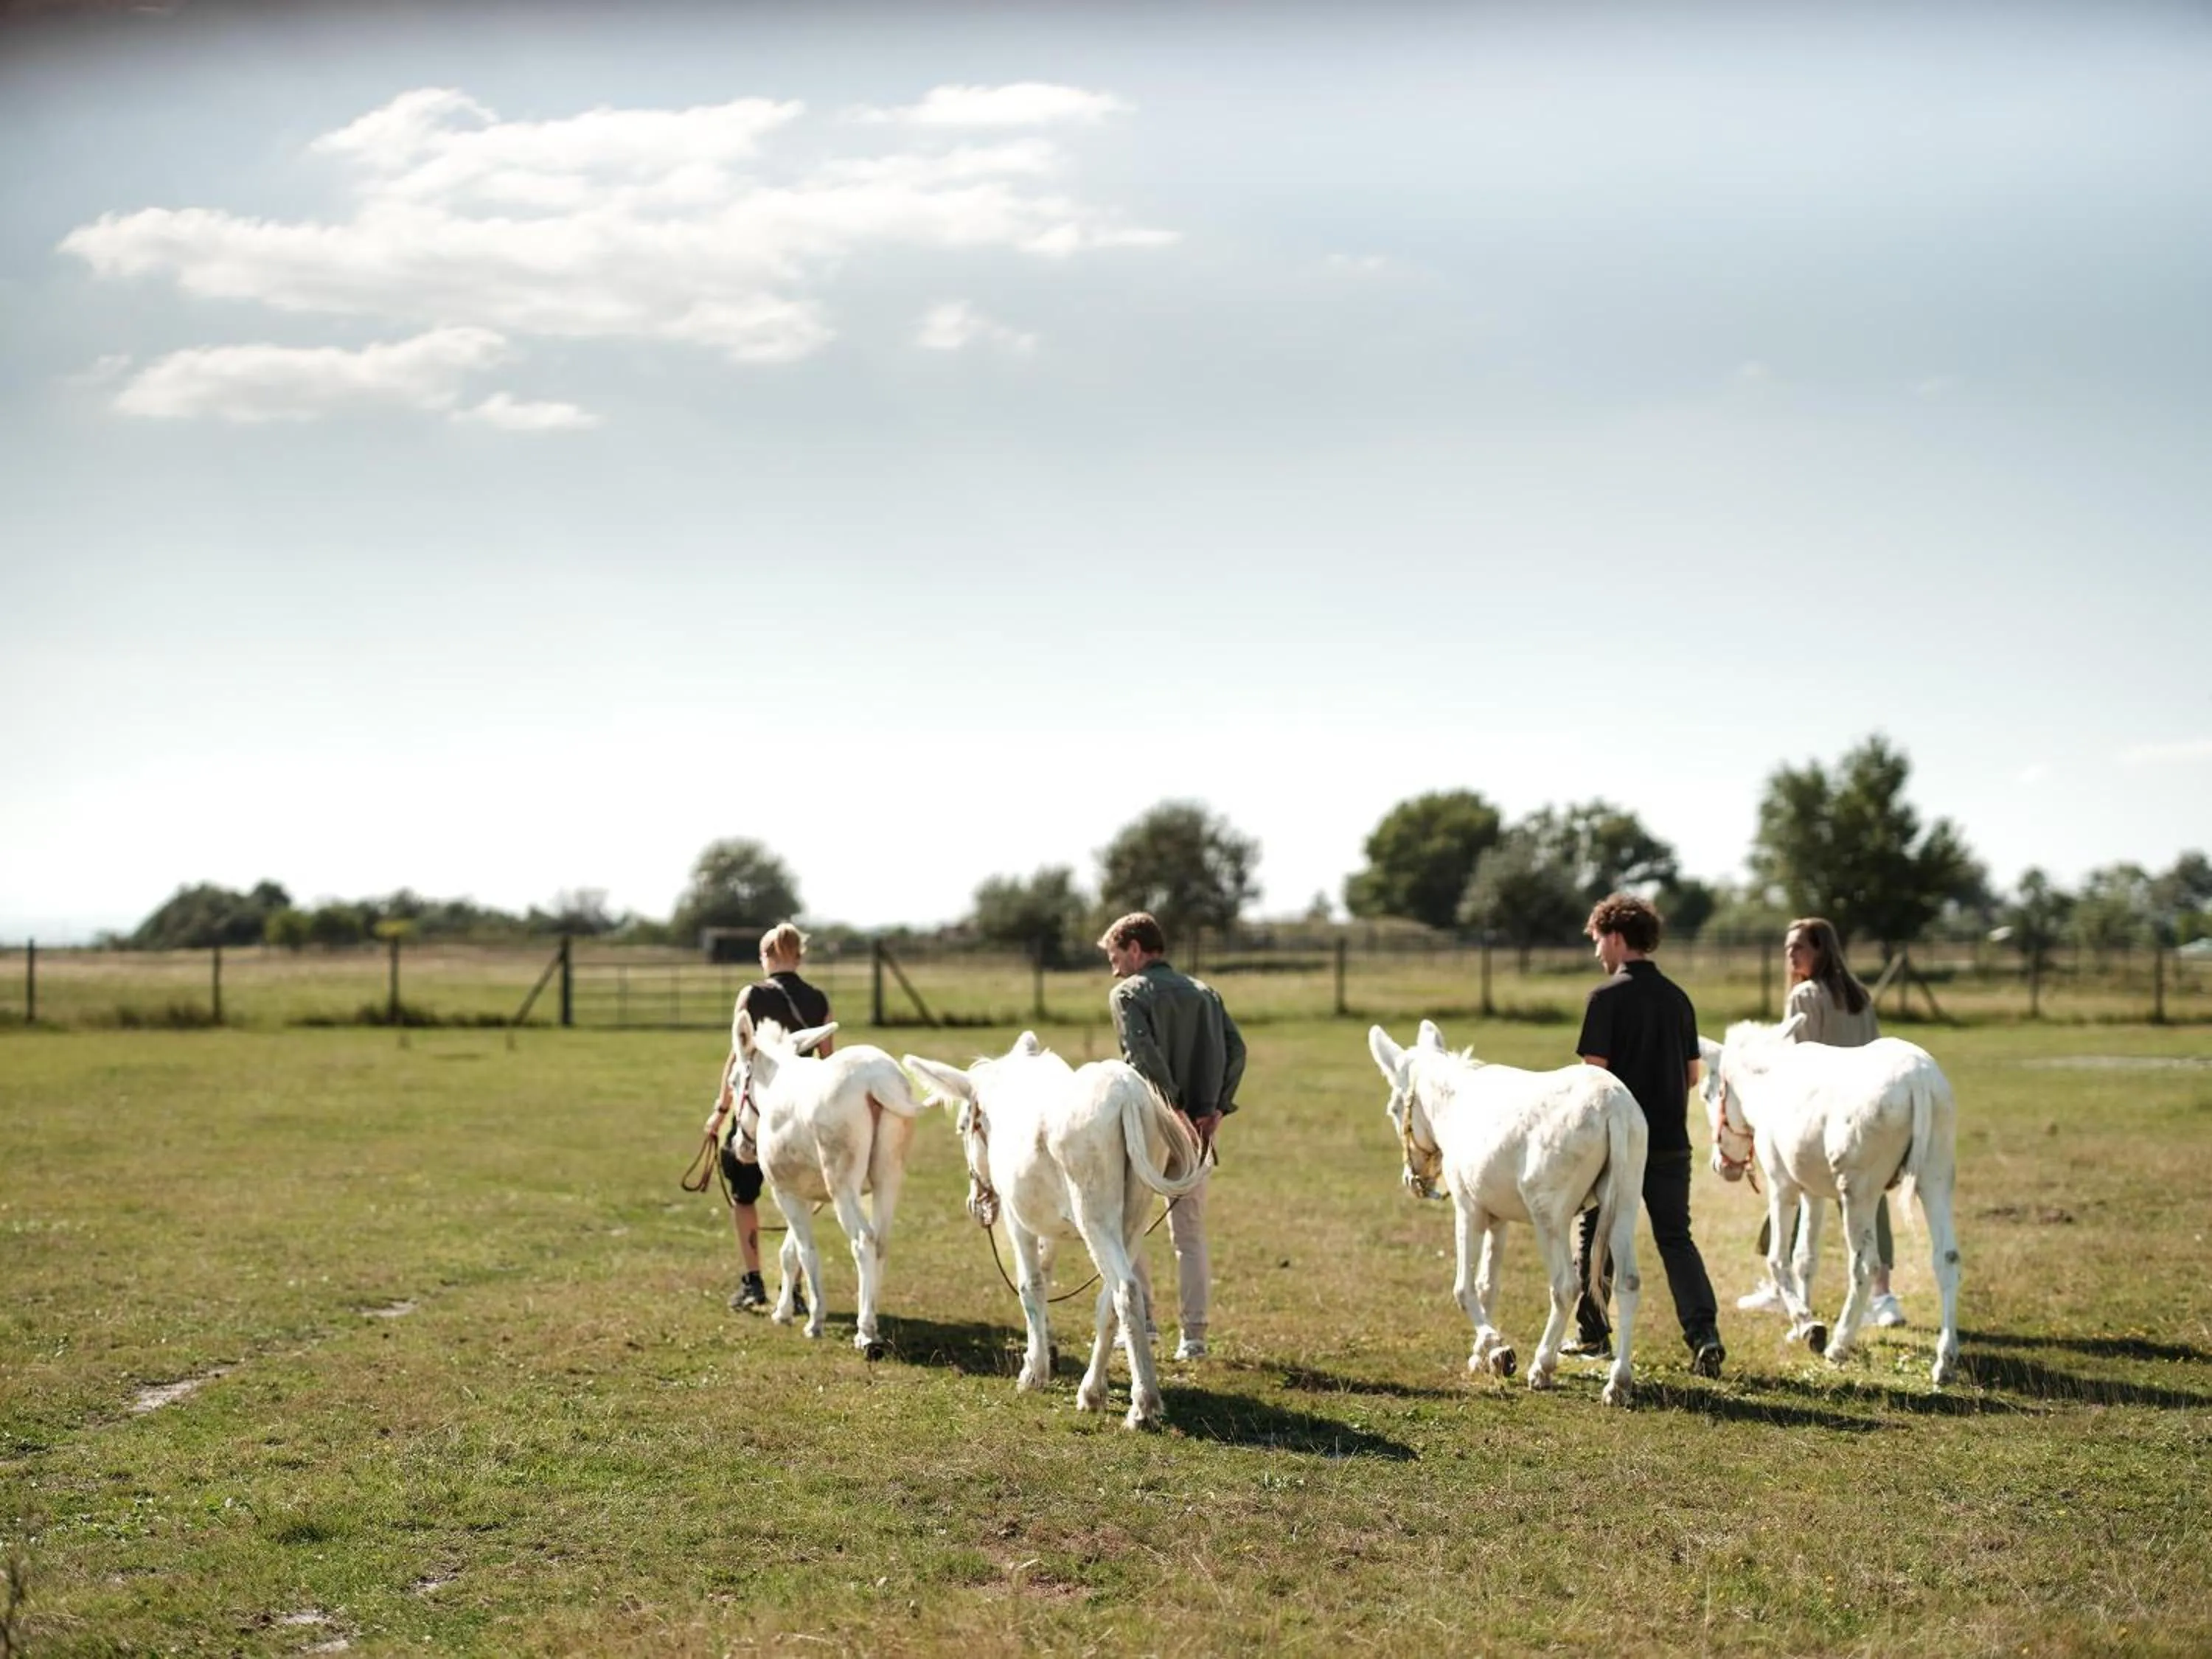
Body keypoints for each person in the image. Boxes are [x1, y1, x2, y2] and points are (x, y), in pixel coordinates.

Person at [1565, 894, 1726, 1378]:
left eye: (1597, 941)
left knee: (1598, 1232)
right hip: (1672, 1141)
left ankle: (1593, 1334)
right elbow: (1694, 1075)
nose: (1597, 953)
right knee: (1676, 1237)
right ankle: (1705, 1336)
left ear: (1616, 937)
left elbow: (1593, 1080)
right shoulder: (1679, 999)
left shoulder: (1604, 998)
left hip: (1616, 1146)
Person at [1736, 917, 1906, 1326]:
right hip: (1868, 1112)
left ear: (1822, 950)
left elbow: (1797, 1064)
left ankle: (1782, 1287)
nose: (1790, 954)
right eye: (1788, 947)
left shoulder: (1805, 996)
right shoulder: (1861, 995)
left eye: (1799, 947)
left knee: (1788, 1186)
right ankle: (1882, 1294)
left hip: (1818, 1113)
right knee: (1872, 1197)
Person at [1097, 911, 1245, 1363]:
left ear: (1136, 949)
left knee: (1129, 1229)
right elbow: (1237, 1050)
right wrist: (1215, 1108)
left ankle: (1142, 1324)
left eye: (1115, 955)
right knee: (1191, 1235)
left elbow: (1143, 1055)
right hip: (1199, 1133)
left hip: (1150, 1129)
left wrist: (1174, 1108)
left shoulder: (1127, 994)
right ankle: (1195, 1337)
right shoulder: (1206, 994)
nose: (1115, 967)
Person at [712, 922, 833, 1312]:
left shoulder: (751, 995)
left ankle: (753, 1283)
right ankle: (793, 1289)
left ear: (766, 956)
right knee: (797, 1199)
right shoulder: (818, 1000)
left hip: (755, 1112)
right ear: (799, 956)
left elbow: (739, 1058)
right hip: (798, 1117)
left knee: (744, 1195)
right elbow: (829, 1063)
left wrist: (720, 1110)